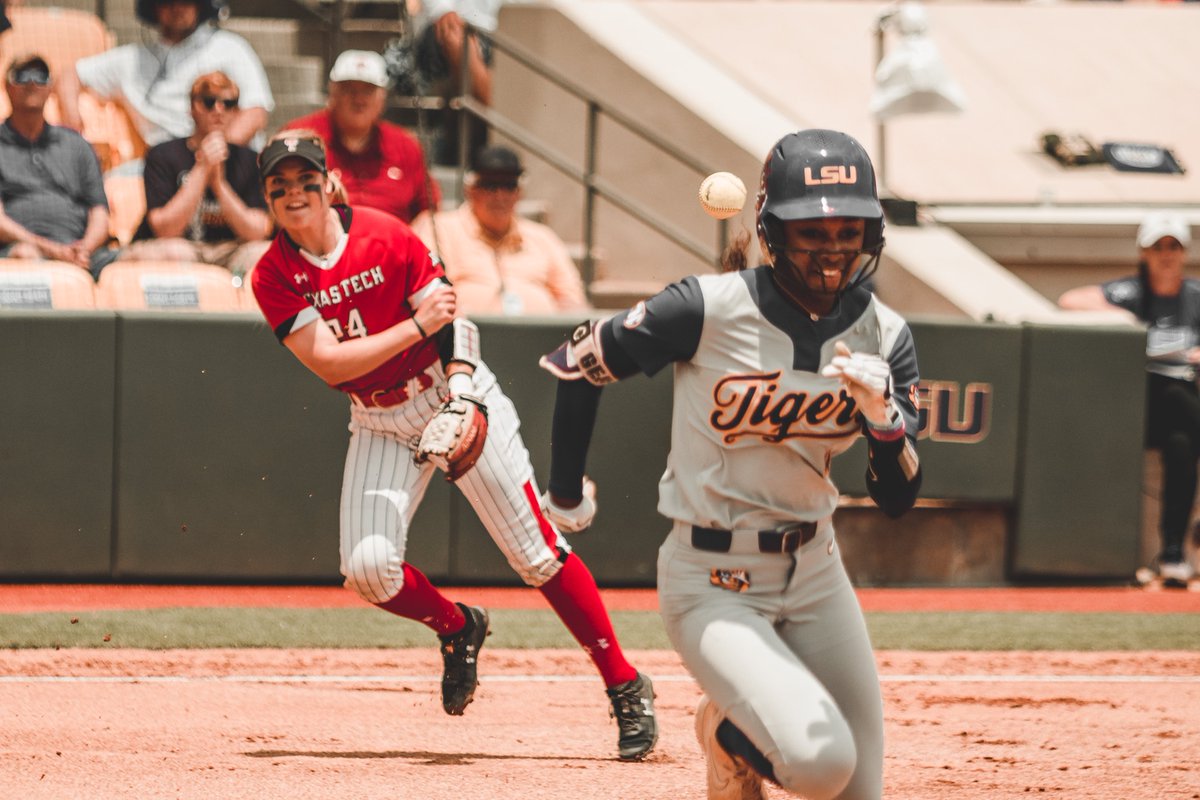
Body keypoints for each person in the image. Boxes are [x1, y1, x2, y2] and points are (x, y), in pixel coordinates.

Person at [539, 129, 923, 800]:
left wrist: (885, 421)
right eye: (812, 228)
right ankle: (724, 735)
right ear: (773, 229)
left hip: (816, 574)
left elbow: (897, 497)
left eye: (848, 227)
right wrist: (565, 492)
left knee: (859, 791)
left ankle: (737, 727)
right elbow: (578, 365)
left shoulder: (884, 334)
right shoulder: (706, 307)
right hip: (712, 578)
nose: (832, 246)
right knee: (820, 766)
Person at [249, 131, 657, 761]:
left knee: (536, 555)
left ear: (330, 184)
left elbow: (454, 324)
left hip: (450, 390)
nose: (294, 192)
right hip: (378, 418)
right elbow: (330, 364)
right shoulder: (273, 273)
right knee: (367, 570)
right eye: (280, 184)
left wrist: (464, 392)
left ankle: (624, 684)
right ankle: (457, 626)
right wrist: (413, 327)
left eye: (307, 179)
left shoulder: (385, 233)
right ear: (268, 198)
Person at [1058, 212, 1198, 588]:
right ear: (1144, 252)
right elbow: (1071, 299)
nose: (1166, 255)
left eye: (1173, 247)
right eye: (1158, 247)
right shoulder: (1131, 291)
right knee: (1175, 398)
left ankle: (1172, 553)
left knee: (1183, 442)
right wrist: (1129, 323)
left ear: (1184, 253)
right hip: (1133, 405)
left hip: (1181, 413)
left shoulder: (1195, 297)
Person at [56, 0, 273, 149]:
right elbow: (69, 75)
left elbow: (255, 113)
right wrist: (74, 129)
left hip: (227, 161)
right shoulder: (132, 59)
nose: (177, 7)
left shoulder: (229, 47)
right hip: (166, 168)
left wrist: (213, 159)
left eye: (186, 0)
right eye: (167, 0)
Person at [410, 145, 589, 316]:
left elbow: (572, 299)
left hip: (541, 343)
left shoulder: (542, 237)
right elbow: (428, 292)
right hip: (464, 340)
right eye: (490, 185)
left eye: (509, 186)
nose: (500, 195)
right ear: (470, 189)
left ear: (519, 193)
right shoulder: (440, 229)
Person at [121, 71, 270, 276]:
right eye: (209, 102)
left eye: (228, 103)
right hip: (181, 247)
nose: (218, 110)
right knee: (176, 251)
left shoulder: (251, 160)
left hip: (228, 250)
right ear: (191, 108)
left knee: (264, 253)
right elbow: (165, 230)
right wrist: (202, 169)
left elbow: (257, 231)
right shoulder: (162, 155)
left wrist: (219, 184)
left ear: (236, 111)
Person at [286, 50, 439, 224]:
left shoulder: (405, 145)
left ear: (382, 98)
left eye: (368, 91)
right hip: (321, 243)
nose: (359, 100)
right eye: (349, 90)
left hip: (391, 246)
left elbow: (429, 211)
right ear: (332, 94)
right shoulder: (300, 137)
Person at [0, 55, 117, 278]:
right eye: (22, 76)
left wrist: (83, 249)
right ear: (7, 86)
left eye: (41, 77)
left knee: (149, 256)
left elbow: (100, 213)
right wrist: (54, 250)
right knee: (25, 256)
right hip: (23, 250)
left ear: (51, 88)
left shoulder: (77, 144)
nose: (32, 83)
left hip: (83, 252)